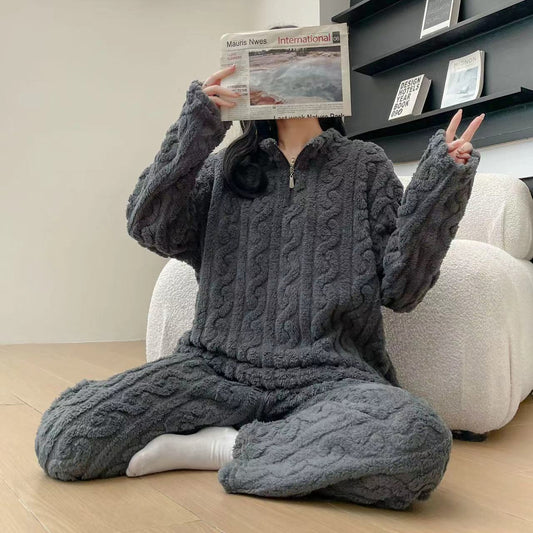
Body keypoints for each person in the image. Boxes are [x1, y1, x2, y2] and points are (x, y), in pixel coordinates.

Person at [34, 26, 484, 510]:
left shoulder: (365, 167)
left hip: (331, 380)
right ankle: (286, 451)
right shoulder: (224, 169)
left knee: (418, 439)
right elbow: (150, 226)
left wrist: (441, 186)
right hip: (212, 371)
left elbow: (402, 290)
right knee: (67, 436)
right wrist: (198, 126)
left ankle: (223, 448)